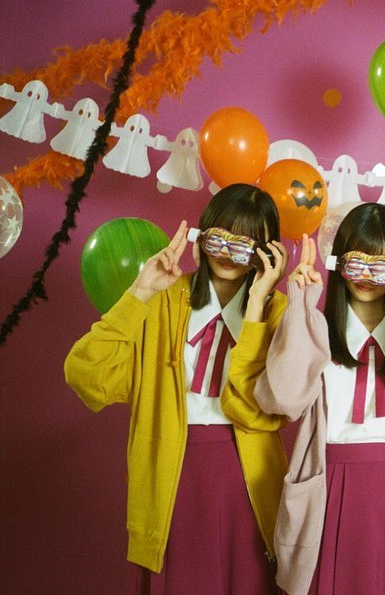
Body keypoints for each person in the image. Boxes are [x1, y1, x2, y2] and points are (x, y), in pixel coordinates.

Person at [64, 183, 290, 593]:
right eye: (219, 237)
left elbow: (264, 412)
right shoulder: (163, 300)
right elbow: (86, 376)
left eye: (244, 243)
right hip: (170, 471)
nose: (227, 252)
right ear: (200, 237)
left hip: (249, 479)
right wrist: (140, 292)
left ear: (266, 253)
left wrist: (257, 304)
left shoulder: (277, 313)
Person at [254, 202, 385, 595]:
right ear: (339, 261)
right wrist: (300, 306)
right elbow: (283, 401)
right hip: (330, 486)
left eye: (382, 263)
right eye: (357, 260)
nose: (367, 275)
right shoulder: (316, 326)